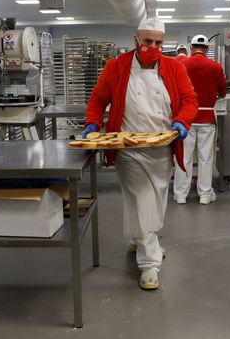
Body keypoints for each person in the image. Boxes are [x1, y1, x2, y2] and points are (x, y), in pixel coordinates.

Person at [83, 18, 198, 290]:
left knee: (155, 197)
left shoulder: (174, 67)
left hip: (161, 145)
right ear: (136, 39)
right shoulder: (116, 67)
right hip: (128, 146)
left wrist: (182, 122)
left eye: (159, 42)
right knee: (142, 197)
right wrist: (92, 122)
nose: (153, 47)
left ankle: (141, 238)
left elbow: (190, 100)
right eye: (148, 42)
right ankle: (149, 265)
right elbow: (99, 99)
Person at [173, 35, 226, 205]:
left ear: (191, 48)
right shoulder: (215, 67)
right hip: (207, 117)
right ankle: (205, 194)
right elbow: (223, 92)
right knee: (206, 158)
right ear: (207, 50)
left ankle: (181, 194)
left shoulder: (181, 65)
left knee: (184, 157)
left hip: (186, 119)